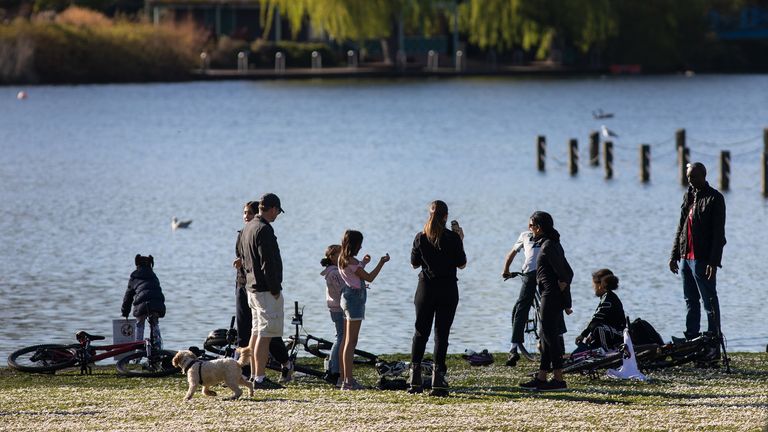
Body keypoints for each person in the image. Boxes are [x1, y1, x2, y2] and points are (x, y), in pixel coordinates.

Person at [669, 162, 726, 364]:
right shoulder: (689, 196)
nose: (690, 181)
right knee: (689, 301)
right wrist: (674, 254)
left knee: (709, 301)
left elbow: (718, 235)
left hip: (703, 259)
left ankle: (713, 344)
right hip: (686, 257)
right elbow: (681, 226)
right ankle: (691, 340)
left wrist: (713, 262)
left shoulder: (715, 198)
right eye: (688, 177)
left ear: (703, 175)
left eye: (693, 177)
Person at [408, 200, 467, 397]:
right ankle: (438, 380)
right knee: (441, 335)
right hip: (447, 289)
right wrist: (460, 238)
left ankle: (415, 378)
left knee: (420, 332)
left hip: (425, 289)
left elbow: (414, 264)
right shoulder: (452, 237)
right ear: (446, 216)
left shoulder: (420, 237)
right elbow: (462, 264)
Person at [233, 200, 292, 380]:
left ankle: (253, 375)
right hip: (265, 289)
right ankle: (259, 377)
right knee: (266, 335)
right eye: (277, 212)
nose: (277, 216)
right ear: (272, 208)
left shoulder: (248, 228)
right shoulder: (264, 229)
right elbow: (268, 262)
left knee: (256, 332)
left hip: (250, 287)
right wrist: (275, 288)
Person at [519, 211, 573, 392]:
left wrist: (562, 288)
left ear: (539, 228)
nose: (529, 228)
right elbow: (567, 272)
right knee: (545, 336)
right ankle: (542, 377)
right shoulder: (550, 244)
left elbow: (566, 273)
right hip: (548, 295)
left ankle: (558, 379)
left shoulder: (549, 246)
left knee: (551, 338)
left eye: (531, 225)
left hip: (550, 296)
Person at [337, 229, 389, 390]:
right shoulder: (352, 261)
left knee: (346, 341)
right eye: (359, 244)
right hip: (354, 301)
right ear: (354, 244)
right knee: (351, 342)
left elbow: (355, 275)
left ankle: (343, 378)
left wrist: (364, 263)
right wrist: (381, 262)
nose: (361, 247)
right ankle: (348, 381)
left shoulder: (342, 259)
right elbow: (369, 277)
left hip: (346, 298)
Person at [502, 227, 541, 366]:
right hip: (546, 274)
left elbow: (510, 254)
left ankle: (513, 348)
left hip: (530, 273)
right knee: (554, 304)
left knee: (522, 308)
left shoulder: (525, 235)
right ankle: (559, 340)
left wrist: (506, 271)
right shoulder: (550, 235)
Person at [574, 269, 625, 353]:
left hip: (619, 334)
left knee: (597, 327)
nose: (593, 288)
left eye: (594, 285)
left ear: (600, 285)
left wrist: (583, 335)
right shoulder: (607, 297)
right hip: (611, 332)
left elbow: (596, 320)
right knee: (595, 328)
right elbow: (601, 319)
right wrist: (591, 335)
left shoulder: (608, 299)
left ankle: (606, 352)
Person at [121, 254, 165, 345]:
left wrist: (125, 312)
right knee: (154, 323)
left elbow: (128, 296)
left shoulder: (134, 277)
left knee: (140, 324)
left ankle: (137, 348)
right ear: (150, 264)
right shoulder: (154, 276)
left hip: (141, 306)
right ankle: (158, 346)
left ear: (137, 264)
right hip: (156, 305)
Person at [320, 244, 344, 385]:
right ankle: (334, 369)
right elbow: (341, 288)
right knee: (340, 337)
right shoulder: (334, 273)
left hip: (334, 307)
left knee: (339, 336)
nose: (343, 257)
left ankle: (333, 365)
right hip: (338, 308)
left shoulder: (333, 271)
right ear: (332, 257)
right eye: (340, 255)